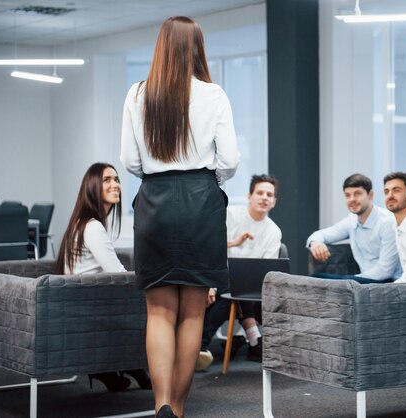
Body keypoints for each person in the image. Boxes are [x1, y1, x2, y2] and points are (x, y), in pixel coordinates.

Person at [120, 16, 240, 418]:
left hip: (153, 199)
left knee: (158, 311)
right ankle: (181, 407)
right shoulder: (213, 94)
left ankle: (161, 405)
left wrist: (161, 175)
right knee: (192, 312)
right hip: (200, 200)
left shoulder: (137, 94)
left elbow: (130, 162)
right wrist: (205, 179)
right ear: (196, 48)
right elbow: (230, 160)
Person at [56, 162, 151, 392]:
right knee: (155, 303)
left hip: (82, 304)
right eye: (107, 180)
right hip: (90, 309)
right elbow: (117, 274)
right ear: (92, 187)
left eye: (117, 179)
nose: (115, 184)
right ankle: (137, 365)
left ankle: (118, 368)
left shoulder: (82, 224)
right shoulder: (93, 227)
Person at [198, 174, 281, 368]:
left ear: (274, 202)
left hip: (248, 285)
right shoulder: (231, 215)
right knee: (232, 284)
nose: (264, 197)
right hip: (218, 276)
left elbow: (266, 271)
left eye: (269, 195)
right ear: (249, 196)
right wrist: (207, 284)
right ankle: (254, 340)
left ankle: (199, 346)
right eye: (260, 193)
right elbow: (210, 246)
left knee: (235, 289)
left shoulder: (273, 231)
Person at [307, 173, 401, 283]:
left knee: (323, 282)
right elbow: (322, 234)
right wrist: (315, 242)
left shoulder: (388, 222)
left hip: (389, 282)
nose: (352, 199)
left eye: (357, 194)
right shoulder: (351, 221)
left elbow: (385, 270)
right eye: (347, 195)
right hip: (362, 281)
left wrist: (351, 281)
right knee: (314, 279)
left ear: (370, 195)